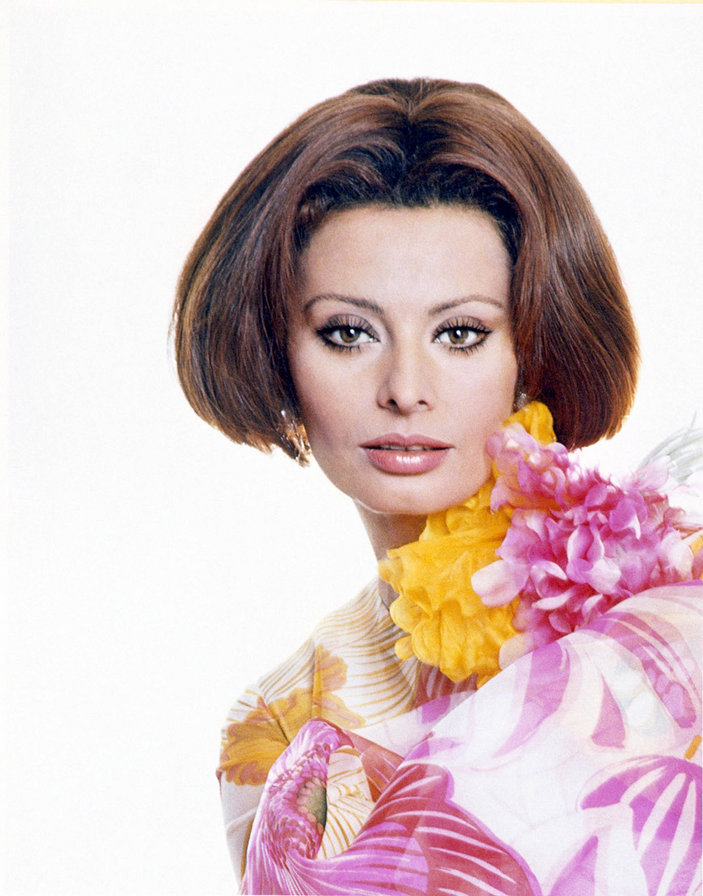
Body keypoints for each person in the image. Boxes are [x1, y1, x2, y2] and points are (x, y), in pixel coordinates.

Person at [172, 79, 702, 895]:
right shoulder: (284, 720)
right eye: (347, 333)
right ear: (277, 355)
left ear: (532, 351)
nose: (404, 389)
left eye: (459, 333)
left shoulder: (670, 584)